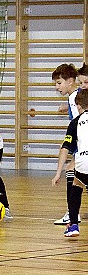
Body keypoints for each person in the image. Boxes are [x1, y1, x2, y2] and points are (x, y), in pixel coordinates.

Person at [52, 89, 88, 237]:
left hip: (84, 163)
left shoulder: (75, 122)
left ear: (78, 105)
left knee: (77, 185)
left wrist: (58, 174)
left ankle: (73, 225)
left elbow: (65, 149)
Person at [52, 63, 81, 225]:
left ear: (70, 81)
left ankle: (72, 213)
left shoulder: (74, 97)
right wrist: (67, 108)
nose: (57, 87)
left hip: (83, 141)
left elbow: (80, 120)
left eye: (59, 83)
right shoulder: (77, 96)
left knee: (71, 171)